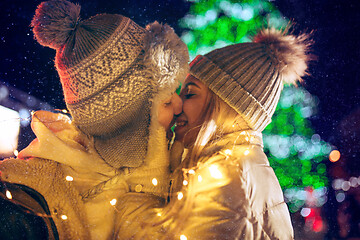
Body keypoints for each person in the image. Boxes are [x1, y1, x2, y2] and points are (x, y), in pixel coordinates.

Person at [0, 0, 188, 239]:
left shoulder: (100, 170)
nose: (180, 105)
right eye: (166, 101)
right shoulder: (26, 198)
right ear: (129, 120)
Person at [113, 28, 312, 239]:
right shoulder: (239, 167)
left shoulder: (225, 177)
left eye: (190, 93)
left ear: (227, 106)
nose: (177, 105)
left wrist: (137, 194)